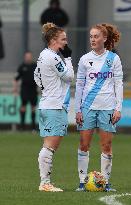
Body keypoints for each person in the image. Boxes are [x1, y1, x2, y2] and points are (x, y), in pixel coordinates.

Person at [75, 23, 123, 192]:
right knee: (84, 145)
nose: (93, 39)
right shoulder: (84, 59)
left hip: (108, 107)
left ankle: (106, 183)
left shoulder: (113, 59)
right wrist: (78, 109)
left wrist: (118, 108)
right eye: (91, 36)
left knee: (107, 146)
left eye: (96, 36)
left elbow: (118, 84)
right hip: (87, 108)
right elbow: (80, 85)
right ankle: (82, 182)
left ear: (104, 38)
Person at [34, 22, 74, 192]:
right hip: (54, 107)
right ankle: (45, 183)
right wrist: (69, 58)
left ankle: (45, 182)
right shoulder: (54, 57)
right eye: (63, 39)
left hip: (46, 104)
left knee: (48, 146)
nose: (66, 42)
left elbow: (37, 77)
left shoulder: (42, 55)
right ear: (53, 40)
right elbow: (69, 77)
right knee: (50, 147)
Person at [13, 51, 38, 130]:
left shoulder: (35, 66)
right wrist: (15, 88)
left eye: (29, 56)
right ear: (25, 57)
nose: (28, 58)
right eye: (26, 56)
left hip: (33, 89)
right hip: (24, 89)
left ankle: (33, 127)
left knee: (33, 107)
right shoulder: (22, 66)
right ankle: (22, 127)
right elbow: (16, 79)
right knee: (23, 106)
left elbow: (40, 77)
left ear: (31, 57)